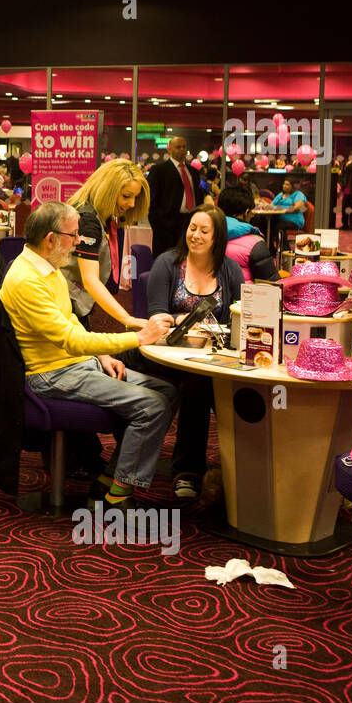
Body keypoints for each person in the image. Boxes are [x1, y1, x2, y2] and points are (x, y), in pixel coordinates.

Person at [1, 202, 176, 507]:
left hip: (73, 364)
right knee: (153, 405)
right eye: (74, 235)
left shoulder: (47, 268)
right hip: (50, 374)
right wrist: (138, 338)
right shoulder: (26, 279)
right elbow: (70, 340)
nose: (79, 241)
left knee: (167, 391)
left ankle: (111, 477)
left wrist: (101, 357)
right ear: (51, 239)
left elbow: (68, 320)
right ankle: (118, 497)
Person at [141, 206, 242, 499]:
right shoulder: (168, 263)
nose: (195, 235)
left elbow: (240, 316)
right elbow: (157, 315)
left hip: (215, 355)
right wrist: (181, 319)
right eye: (192, 228)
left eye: (204, 231)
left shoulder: (230, 269)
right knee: (198, 384)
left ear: (217, 237)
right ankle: (188, 471)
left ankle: (237, 469)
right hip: (170, 354)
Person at [60, 159, 151, 330]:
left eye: (135, 198)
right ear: (108, 191)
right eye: (126, 196)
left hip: (70, 306)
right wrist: (127, 319)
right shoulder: (88, 221)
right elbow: (90, 280)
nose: (132, 204)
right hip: (64, 307)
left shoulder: (92, 214)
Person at [145, 136, 204, 257]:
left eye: (184, 147)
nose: (182, 150)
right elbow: (151, 200)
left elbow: (198, 197)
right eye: (178, 147)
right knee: (166, 262)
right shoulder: (159, 170)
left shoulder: (193, 172)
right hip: (166, 225)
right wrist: (158, 225)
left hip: (189, 223)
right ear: (170, 149)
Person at [217, 184, 280, 282]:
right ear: (246, 212)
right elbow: (271, 284)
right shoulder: (255, 244)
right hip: (244, 296)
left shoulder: (204, 235)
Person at [270, 178, 308, 247]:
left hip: (294, 221)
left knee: (279, 226)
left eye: (287, 184)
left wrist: (282, 209)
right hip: (280, 219)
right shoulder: (280, 195)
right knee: (267, 224)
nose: (284, 186)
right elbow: (271, 206)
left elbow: (297, 208)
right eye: (284, 184)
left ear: (293, 186)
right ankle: (271, 248)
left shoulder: (298, 194)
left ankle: (285, 249)